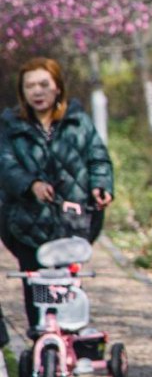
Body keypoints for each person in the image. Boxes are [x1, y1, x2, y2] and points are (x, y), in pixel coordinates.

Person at [0, 57, 114, 334]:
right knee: (36, 284)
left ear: (58, 88)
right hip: (26, 223)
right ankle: (42, 344)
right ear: (22, 92)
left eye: (43, 84)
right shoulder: (10, 125)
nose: (37, 92)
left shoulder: (78, 122)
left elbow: (98, 158)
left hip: (71, 222)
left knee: (68, 284)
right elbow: (5, 164)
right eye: (30, 86)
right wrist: (31, 185)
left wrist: (102, 186)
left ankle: (68, 342)